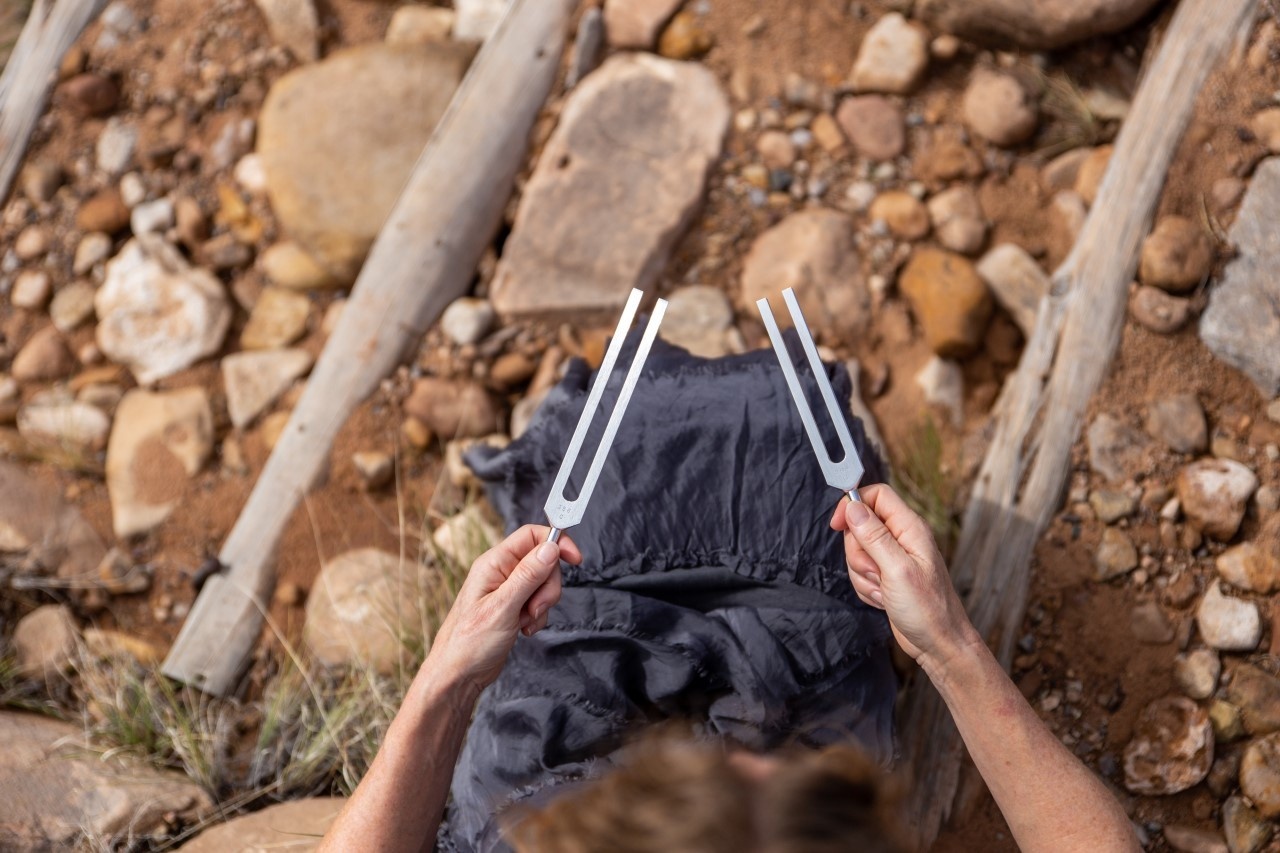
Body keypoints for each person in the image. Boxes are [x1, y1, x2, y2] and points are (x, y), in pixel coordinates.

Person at [318, 484, 1139, 853]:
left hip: (546, 733)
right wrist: (949, 645)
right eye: (763, 782)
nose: (738, 760)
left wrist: (448, 680)